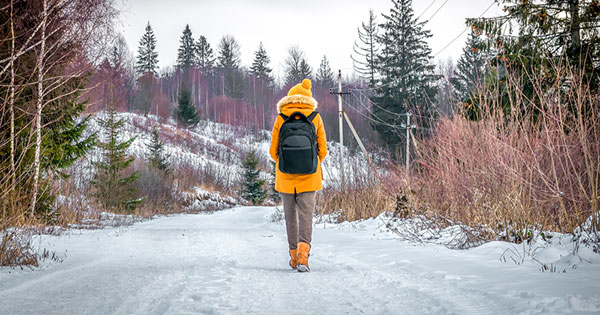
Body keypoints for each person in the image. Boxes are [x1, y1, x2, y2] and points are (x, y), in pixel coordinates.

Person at [269, 78, 327, 272]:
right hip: (310, 177)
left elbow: (272, 152)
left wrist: (286, 162)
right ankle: (304, 256)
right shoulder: (315, 117)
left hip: (285, 178)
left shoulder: (280, 118)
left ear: (290, 97)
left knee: (290, 217)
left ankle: (293, 257)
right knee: (306, 217)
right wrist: (311, 162)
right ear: (308, 98)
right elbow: (324, 150)